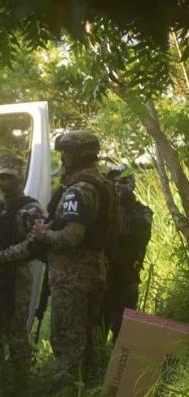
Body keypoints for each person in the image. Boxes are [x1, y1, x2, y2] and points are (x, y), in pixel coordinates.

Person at [30, 130, 117, 382]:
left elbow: (71, 237)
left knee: (68, 339)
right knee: (88, 339)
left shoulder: (78, 190)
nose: (63, 157)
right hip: (95, 269)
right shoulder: (106, 186)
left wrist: (42, 235)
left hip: (72, 277)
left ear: (78, 155)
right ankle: (88, 391)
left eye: (66, 152)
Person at [0, 154, 46, 393]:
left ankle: (21, 388)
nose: (4, 182)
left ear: (19, 179)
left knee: (16, 336)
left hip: (16, 278)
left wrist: (1, 257)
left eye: (9, 177)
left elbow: (34, 244)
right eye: (1, 177)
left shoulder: (31, 209)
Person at [103, 166, 153, 340]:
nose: (117, 185)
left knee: (122, 331)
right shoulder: (102, 208)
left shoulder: (141, 211)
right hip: (102, 276)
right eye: (113, 181)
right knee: (96, 328)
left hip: (126, 277)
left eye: (122, 181)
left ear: (131, 182)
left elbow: (131, 235)